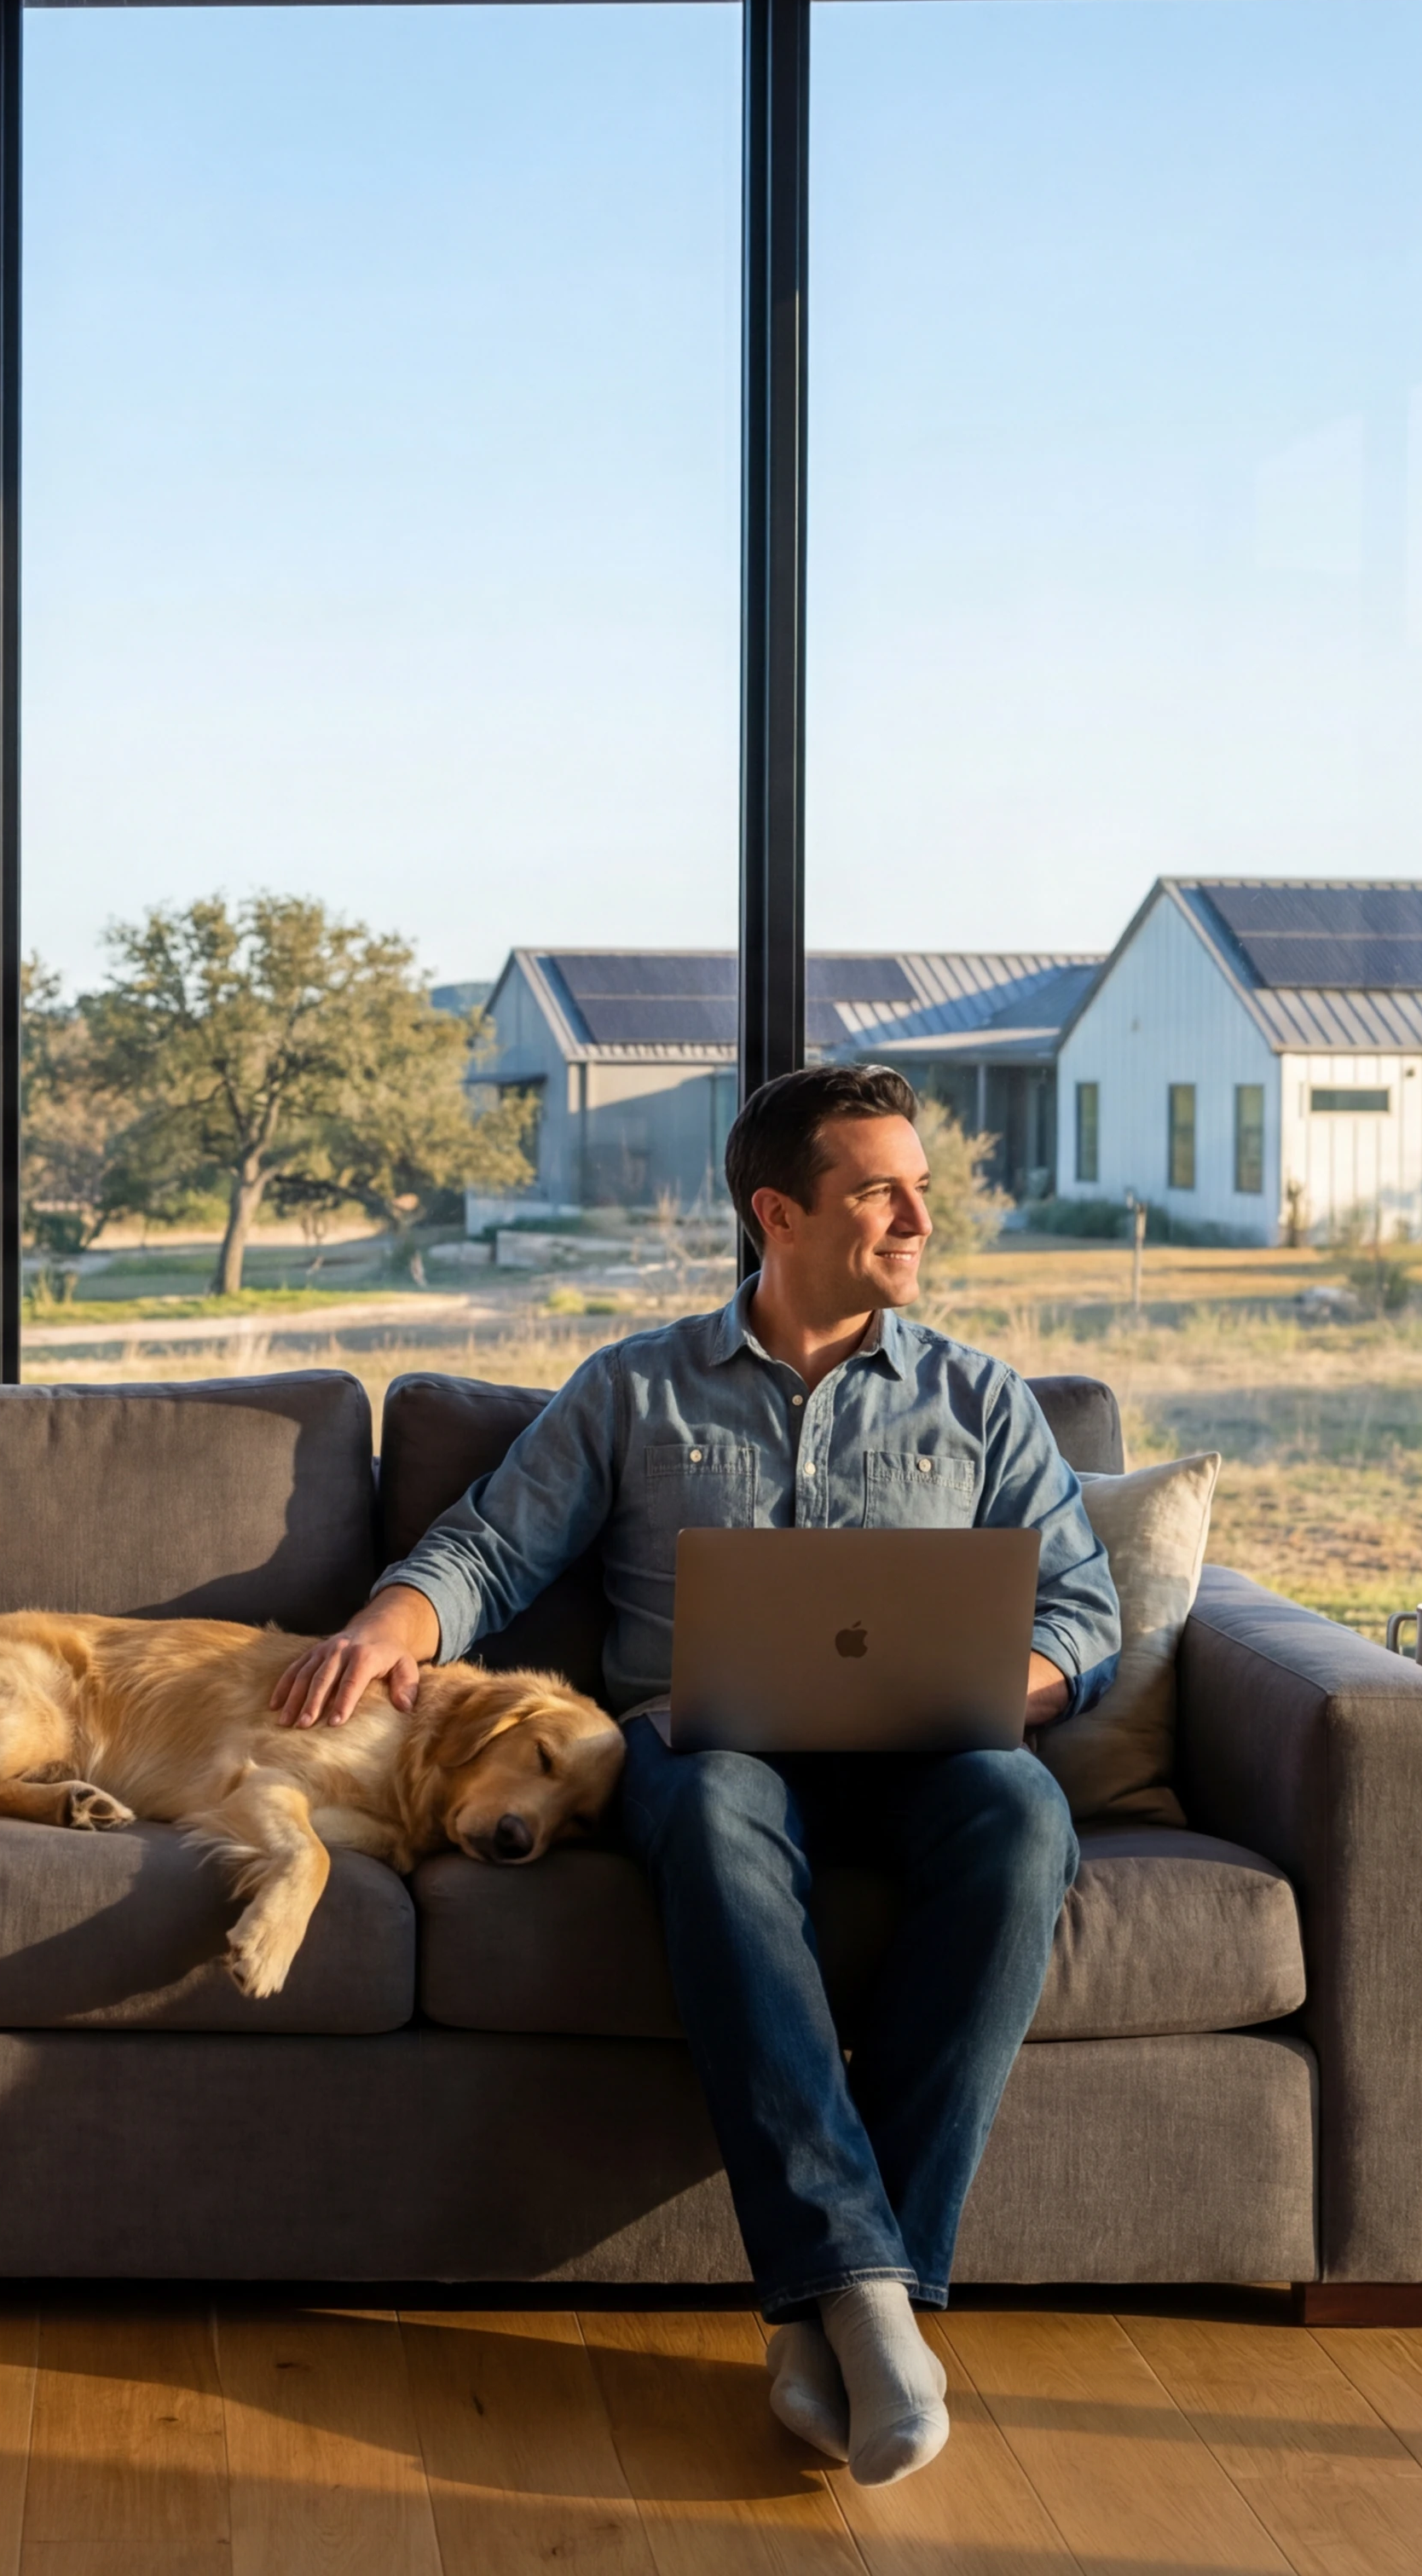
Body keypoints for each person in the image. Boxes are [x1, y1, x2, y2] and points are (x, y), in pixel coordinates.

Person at [268, 1062, 1114, 2487]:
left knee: (1023, 1817)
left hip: (929, 1753)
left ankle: (837, 2303)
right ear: (775, 1213)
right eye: (878, 1191)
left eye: (918, 1187)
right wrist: (378, 1623)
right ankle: (865, 2299)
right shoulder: (632, 1389)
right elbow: (482, 1550)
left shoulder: (981, 1402)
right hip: (703, 1748)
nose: (918, 1214)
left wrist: (988, 1690)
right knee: (715, 1811)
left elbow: (1082, 1618)